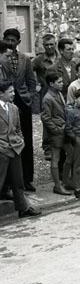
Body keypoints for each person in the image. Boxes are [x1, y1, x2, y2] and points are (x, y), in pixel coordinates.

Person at [1, 29, 37, 192]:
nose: (10, 43)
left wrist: (29, 96)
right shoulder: (2, 57)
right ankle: (8, 182)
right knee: (7, 140)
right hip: (5, 101)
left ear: (18, 42)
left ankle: (27, 178)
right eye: (7, 39)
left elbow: (31, 80)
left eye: (13, 40)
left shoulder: (25, 59)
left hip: (22, 102)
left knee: (25, 139)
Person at [0, 79, 40, 218]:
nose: (13, 94)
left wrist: (20, 141)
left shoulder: (14, 108)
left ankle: (23, 208)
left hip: (15, 149)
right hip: (2, 151)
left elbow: (18, 129)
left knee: (18, 181)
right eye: (10, 91)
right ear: (1, 93)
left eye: (13, 91)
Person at [40, 72, 72, 196]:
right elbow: (45, 118)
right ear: (51, 84)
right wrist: (56, 130)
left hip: (64, 131)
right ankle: (57, 186)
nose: (62, 83)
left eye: (61, 81)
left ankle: (65, 181)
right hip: (56, 133)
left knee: (71, 154)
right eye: (59, 82)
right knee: (55, 159)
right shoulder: (47, 98)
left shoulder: (58, 93)